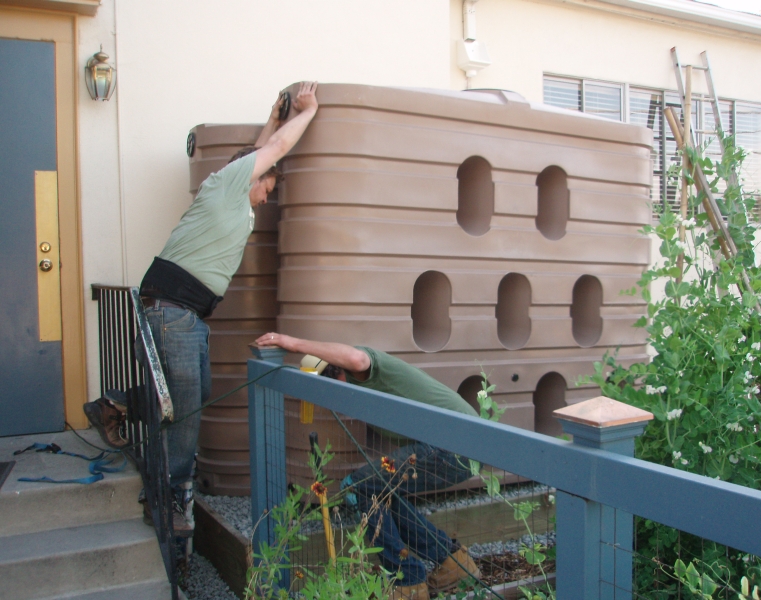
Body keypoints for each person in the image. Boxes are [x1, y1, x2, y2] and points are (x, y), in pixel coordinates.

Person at [84, 82, 319, 532]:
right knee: (186, 415)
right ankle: (169, 499)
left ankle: (115, 406)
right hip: (172, 313)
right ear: (251, 176)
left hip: (182, 315)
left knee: (191, 399)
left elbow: (258, 149)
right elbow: (272, 149)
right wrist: (305, 113)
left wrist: (274, 114)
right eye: (267, 187)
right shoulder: (229, 184)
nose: (267, 197)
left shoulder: (231, 190)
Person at [254, 332, 482, 600]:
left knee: (358, 487)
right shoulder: (366, 388)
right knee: (379, 492)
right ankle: (453, 563)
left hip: (451, 444)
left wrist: (288, 343)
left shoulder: (367, 368)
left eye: (329, 380)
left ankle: (408, 582)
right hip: (457, 446)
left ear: (338, 368)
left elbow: (356, 358)